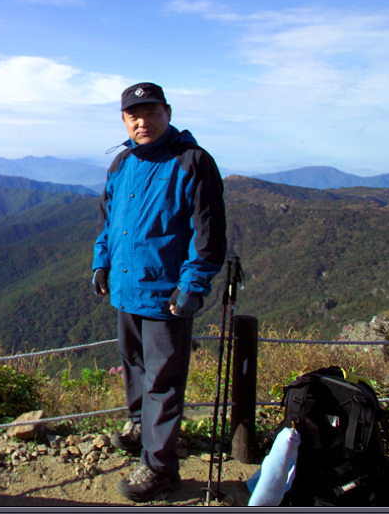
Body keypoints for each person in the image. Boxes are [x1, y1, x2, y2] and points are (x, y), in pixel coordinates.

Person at [92, 82, 227, 501]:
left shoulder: (192, 162)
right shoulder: (121, 164)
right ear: (124, 120)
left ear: (167, 113)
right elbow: (109, 222)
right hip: (126, 289)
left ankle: (161, 467)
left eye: (150, 113)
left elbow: (208, 236)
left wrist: (192, 286)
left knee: (163, 383)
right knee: (133, 365)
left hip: (166, 295)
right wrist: (102, 261)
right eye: (134, 115)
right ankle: (138, 429)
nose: (142, 121)